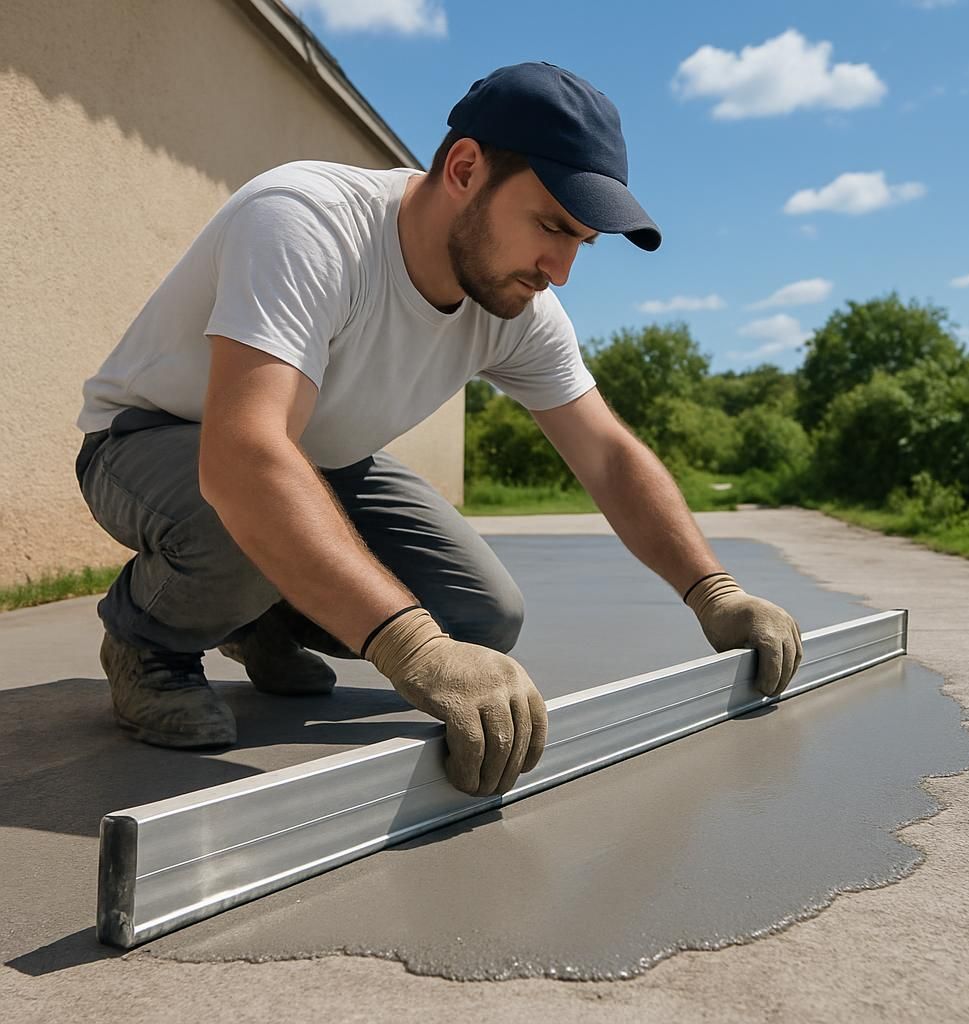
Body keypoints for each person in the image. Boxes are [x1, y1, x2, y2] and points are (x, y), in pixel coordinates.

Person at [74, 61, 802, 799]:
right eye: (551, 226)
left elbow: (609, 457)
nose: (562, 267)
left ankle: (254, 615)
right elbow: (243, 458)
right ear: (464, 168)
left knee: (482, 614)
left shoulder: (516, 305)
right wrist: (413, 649)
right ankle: (148, 643)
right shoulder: (306, 221)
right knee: (246, 527)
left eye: (582, 240)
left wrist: (715, 592)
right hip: (150, 443)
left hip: (321, 464)